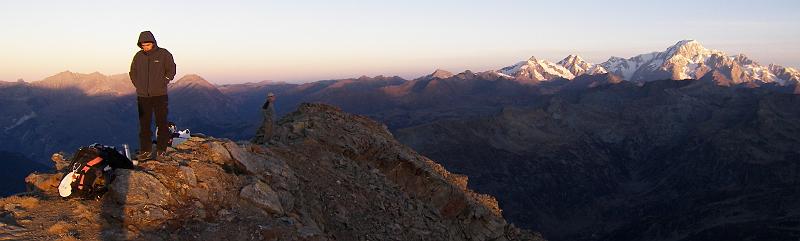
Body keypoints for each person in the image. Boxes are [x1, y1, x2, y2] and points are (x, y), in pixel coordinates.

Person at [129, 31, 176, 160]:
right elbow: (132, 72)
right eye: (143, 45)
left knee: (161, 123)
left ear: (153, 43)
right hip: (143, 96)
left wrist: (165, 80)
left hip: (159, 95)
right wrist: (138, 84)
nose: (145, 47)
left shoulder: (164, 54)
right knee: (144, 124)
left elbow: (172, 68)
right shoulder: (138, 56)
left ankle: (161, 150)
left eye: (148, 44)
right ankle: (145, 151)